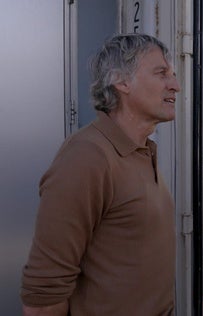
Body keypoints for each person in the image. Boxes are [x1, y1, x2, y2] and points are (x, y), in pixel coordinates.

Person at [20, 33, 180, 315]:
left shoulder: (143, 151)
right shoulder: (87, 156)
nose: (175, 85)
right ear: (122, 81)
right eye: (162, 73)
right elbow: (44, 295)